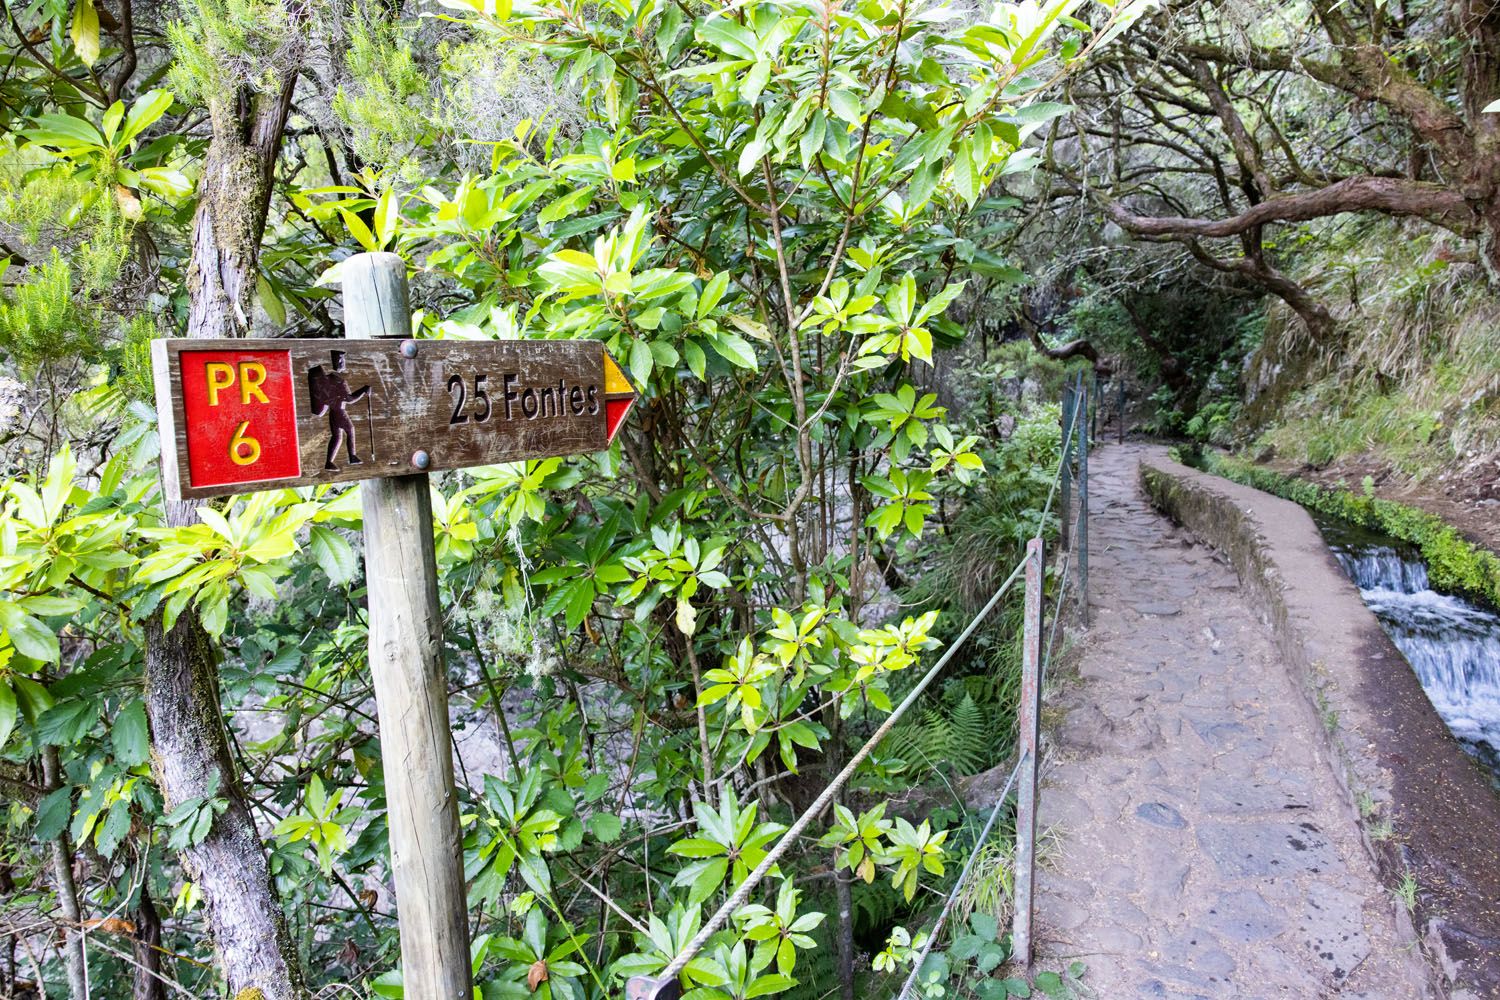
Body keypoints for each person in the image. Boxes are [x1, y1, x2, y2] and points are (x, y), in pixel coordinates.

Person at [307, 351, 370, 471]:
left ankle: (329, 462)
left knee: (337, 437)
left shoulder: (329, 379)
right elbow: (350, 399)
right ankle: (351, 456)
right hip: (339, 412)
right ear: (337, 362)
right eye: (341, 360)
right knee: (350, 430)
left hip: (332, 413)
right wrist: (363, 390)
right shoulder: (338, 381)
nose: (343, 362)